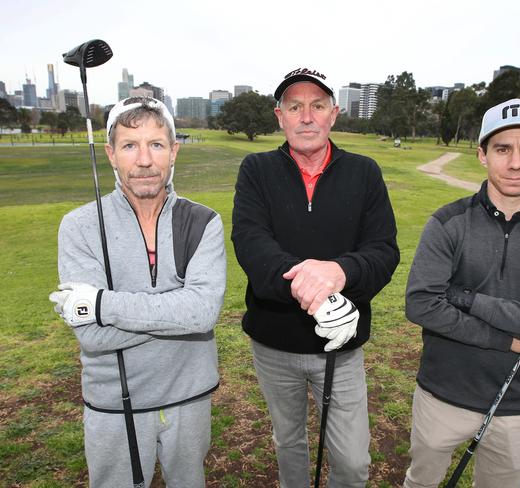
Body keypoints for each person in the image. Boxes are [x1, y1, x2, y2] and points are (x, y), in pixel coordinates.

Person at [403, 98, 520, 488]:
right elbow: (422, 304)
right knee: (421, 482)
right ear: (482, 154)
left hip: (518, 404)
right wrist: (507, 339)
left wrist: (468, 299)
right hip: (441, 395)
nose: (515, 162)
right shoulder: (447, 222)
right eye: (502, 148)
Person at [231, 67, 400, 487]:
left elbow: (383, 251)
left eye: (317, 106)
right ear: (280, 116)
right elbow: (252, 246)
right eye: (295, 107)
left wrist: (339, 271)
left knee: (352, 462)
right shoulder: (256, 169)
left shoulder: (364, 172)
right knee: (289, 445)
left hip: (341, 348)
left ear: (333, 114)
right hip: (275, 344)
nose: (306, 117)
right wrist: (316, 291)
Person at [49, 97, 226, 487]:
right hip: (115, 407)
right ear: (111, 155)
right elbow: (92, 335)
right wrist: (173, 306)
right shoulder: (78, 227)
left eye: (156, 144)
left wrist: (101, 304)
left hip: (189, 398)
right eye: (130, 145)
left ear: (174, 151)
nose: (144, 160)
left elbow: (202, 313)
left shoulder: (202, 222)